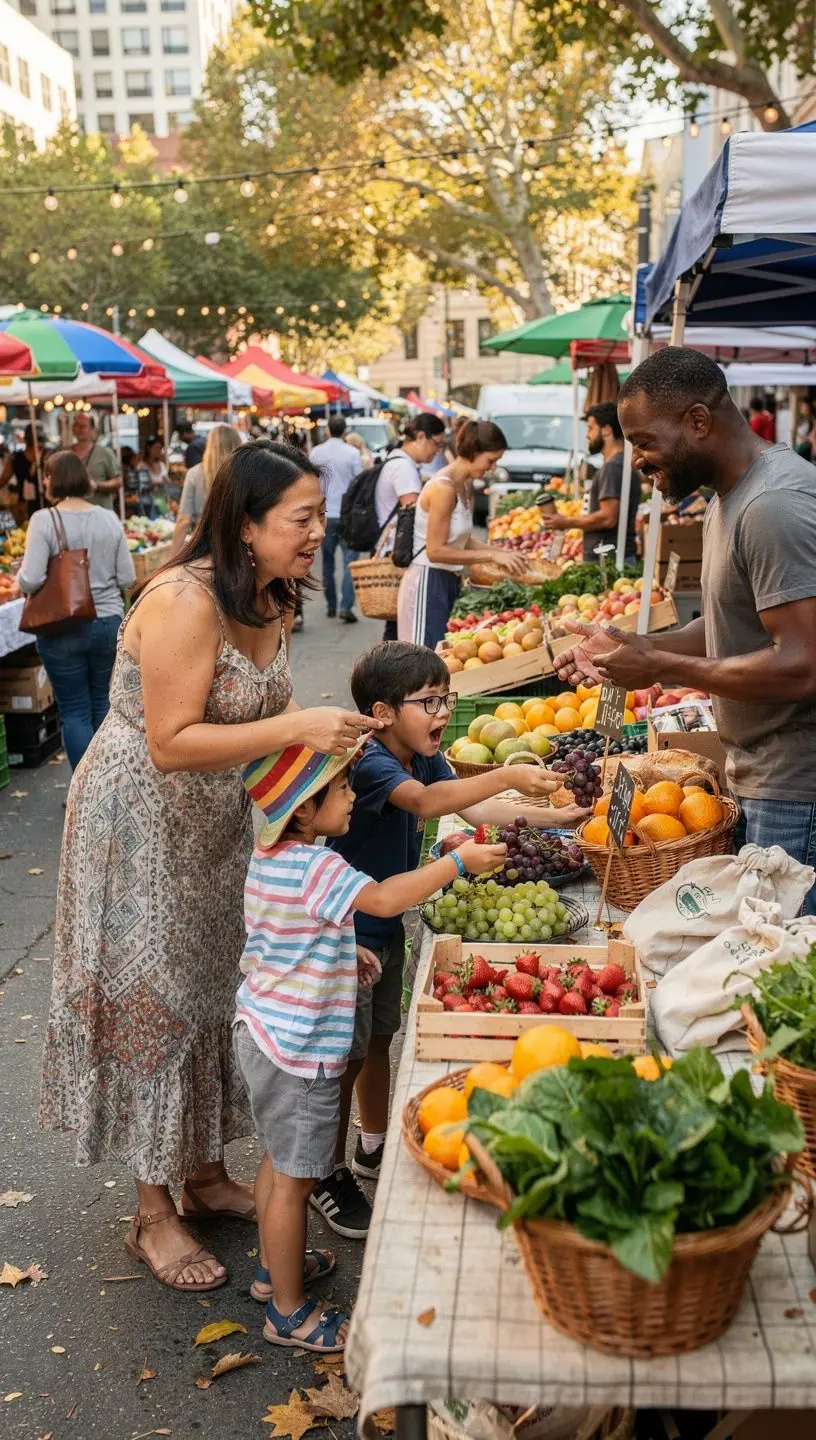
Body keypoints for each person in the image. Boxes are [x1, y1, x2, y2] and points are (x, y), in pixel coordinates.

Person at [39, 441, 385, 1296]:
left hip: (220, 827)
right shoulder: (183, 599)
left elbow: (277, 710)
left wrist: (349, 751)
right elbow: (171, 740)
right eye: (302, 519)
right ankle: (152, 1211)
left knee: (210, 988)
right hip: (139, 826)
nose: (319, 533)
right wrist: (296, 732)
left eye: (317, 517)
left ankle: (199, 1172)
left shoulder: (271, 593)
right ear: (245, 523)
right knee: (152, 997)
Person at [234, 738, 506, 1351]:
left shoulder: (270, 857)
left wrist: (341, 951)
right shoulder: (319, 865)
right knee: (296, 1176)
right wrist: (456, 865)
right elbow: (384, 899)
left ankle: (272, 1270)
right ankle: (288, 1313)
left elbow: (285, 936)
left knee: (279, 1162)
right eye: (342, 789)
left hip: (263, 1029)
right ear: (303, 811)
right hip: (299, 1049)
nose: (354, 797)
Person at [318, 641, 589, 1236]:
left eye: (447, 699)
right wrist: (512, 770)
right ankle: (323, 1170)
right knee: (346, 1054)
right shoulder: (372, 762)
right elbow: (426, 803)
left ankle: (373, 1142)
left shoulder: (420, 754)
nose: (442, 713)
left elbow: (476, 806)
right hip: (349, 929)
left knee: (381, 1035)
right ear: (383, 712)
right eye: (428, 701)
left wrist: (552, 818)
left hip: (388, 924)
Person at [553, 346, 816, 913]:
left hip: (797, 791)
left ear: (699, 421)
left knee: (783, 975)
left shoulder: (774, 505)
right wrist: (636, 645)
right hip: (761, 775)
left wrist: (661, 666)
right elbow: (727, 622)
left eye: (646, 442)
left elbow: (801, 665)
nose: (639, 462)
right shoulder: (732, 498)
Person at [16, 451, 136, 770]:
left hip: (62, 626)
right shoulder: (108, 518)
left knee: (74, 711)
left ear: (55, 479)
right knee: (101, 706)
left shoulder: (44, 520)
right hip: (108, 621)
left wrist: (20, 575)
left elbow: (30, 579)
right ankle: (104, 787)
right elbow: (127, 577)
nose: (42, 480)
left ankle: (82, 791)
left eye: (46, 474)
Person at [397, 419, 526, 650]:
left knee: (442, 659)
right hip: (428, 582)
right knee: (424, 661)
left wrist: (500, 552)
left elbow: (463, 539)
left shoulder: (465, 485)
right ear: (473, 452)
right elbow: (435, 551)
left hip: (448, 580)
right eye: (491, 460)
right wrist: (490, 556)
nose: (492, 468)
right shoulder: (443, 488)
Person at [374, 414, 447, 642]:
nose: (437, 452)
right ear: (421, 437)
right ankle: (387, 674)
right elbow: (412, 514)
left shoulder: (398, 461)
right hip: (398, 553)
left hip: (394, 550)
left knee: (395, 624)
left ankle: (386, 672)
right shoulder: (404, 468)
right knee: (397, 626)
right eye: (436, 444)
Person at [546, 402, 641, 565]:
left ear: (606, 430)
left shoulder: (613, 468)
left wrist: (565, 521)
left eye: (591, 428)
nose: (588, 435)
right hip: (610, 557)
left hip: (610, 561)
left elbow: (607, 518)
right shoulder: (618, 464)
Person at [309, 416, 363, 623]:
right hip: (347, 515)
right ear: (344, 431)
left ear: (328, 430)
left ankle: (331, 605)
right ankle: (345, 606)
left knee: (328, 563)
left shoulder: (316, 452)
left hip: (325, 515)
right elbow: (358, 481)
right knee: (350, 563)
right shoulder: (352, 453)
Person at [171, 423, 242, 556]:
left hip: (204, 548)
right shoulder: (244, 474)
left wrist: (172, 557)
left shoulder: (195, 473)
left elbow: (184, 520)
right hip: (238, 546)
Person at [71, 413, 121, 512]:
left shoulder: (104, 452)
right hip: (73, 513)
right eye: (76, 425)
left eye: (83, 426)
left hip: (100, 512)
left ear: (92, 430)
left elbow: (118, 481)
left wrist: (97, 485)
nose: (79, 429)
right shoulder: (66, 453)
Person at [0, 422, 45, 517]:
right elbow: (3, 480)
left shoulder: (47, 456)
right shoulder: (16, 458)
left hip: (43, 504)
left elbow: (3, 480)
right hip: (23, 506)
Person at [135, 435, 168, 519]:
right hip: (146, 505)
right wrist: (159, 483)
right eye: (156, 448)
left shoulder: (162, 465)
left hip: (161, 504)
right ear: (149, 448)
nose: (159, 451)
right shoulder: (141, 466)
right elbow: (142, 485)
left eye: (160, 448)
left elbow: (168, 482)